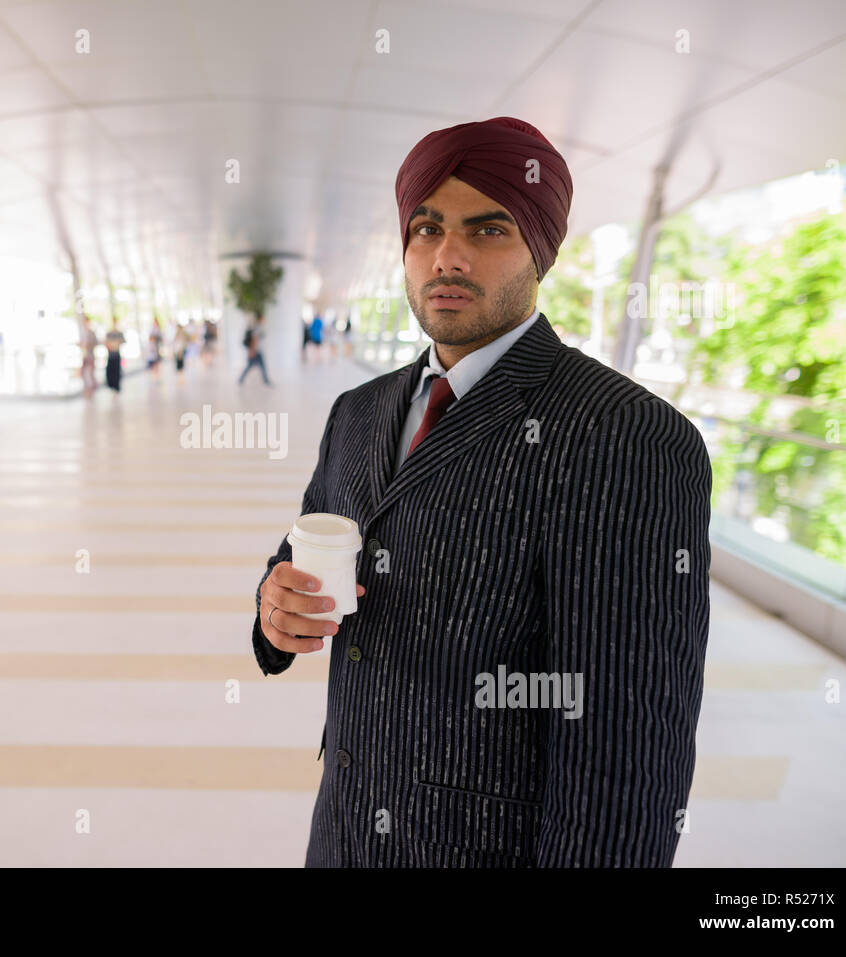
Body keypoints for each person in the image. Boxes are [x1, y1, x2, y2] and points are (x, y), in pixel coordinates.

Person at [250, 116, 711, 868]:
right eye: (425, 228)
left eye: (488, 229)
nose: (447, 256)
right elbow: (299, 553)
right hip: (340, 837)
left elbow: (625, 756)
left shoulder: (626, 436)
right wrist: (275, 612)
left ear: (540, 249)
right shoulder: (359, 412)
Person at [237, 314, 272, 387]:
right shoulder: (257, 328)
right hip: (256, 351)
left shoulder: (258, 327)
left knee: (253, 366)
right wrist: (252, 351)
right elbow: (254, 340)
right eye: (263, 319)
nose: (264, 320)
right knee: (257, 366)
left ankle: (241, 379)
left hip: (257, 351)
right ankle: (266, 381)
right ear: (260, 319)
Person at [104, 316, 125, 392]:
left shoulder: (119, 333)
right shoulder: (109, 333)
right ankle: (111, 385)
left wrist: (117, 343)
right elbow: (106, 342)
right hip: (110, 354)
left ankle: (116, 386)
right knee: (110, 370)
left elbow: (123, 341)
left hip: (116, 353)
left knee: (117, 371)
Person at [78, 316, 97, 396]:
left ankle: (92, 388)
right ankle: (87, 387)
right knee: (83, 372)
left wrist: (87, 345)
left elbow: (95, 343)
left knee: (91, 373)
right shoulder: (83, 333)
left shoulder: (91, 333)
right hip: (85, 356)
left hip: (90, 355)